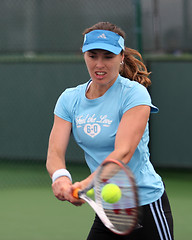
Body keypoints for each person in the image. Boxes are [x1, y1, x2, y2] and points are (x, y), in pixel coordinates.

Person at [46, 22, 174, 240]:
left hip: (145, 205)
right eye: (93, 55)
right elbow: (55, 153)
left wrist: (85, 185)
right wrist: (60, 178)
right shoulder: (69, 99)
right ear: (83, 55)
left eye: (108, 56)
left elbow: (123, 153)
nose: (99, 64)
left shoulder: (135, 95)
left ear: (121, 57)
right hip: (108, 209)